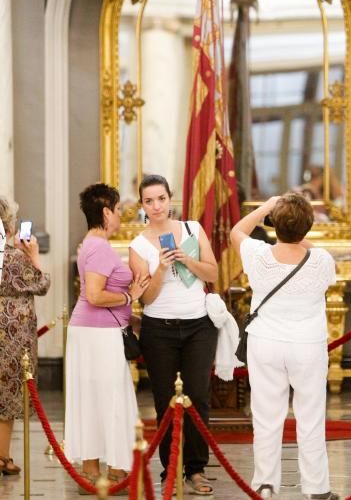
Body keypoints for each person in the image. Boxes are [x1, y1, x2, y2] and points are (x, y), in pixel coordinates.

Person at [230, 192, 338, 500]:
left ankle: (265, 484)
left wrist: (265, 207)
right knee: (311, 418)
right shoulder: (321, 260)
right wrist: (298, 234)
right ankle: (317, 489)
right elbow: (313, 254)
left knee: (266, 417)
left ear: (274, 224)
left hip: (265, 344)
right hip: (307, 346)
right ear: (307, 227)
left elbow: (236, 231)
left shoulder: (258, 255)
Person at [129, 174, 218, 496]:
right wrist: (162, 268)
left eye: (161, 199)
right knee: (165, 400)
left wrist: (187, 259)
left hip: (198, 326)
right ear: (142, 205)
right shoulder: (138, 245)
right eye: (149, 201)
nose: (156, 206)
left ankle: (196, 469)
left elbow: (213, 273)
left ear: (171, 199)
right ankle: (171, 467)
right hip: (159, 330)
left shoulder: (193, 229)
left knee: (197, 395)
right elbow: (146, 299)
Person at [64, 183, 149, 492]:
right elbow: (97, 296)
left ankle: (91, 468)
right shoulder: (99, 246)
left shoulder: (90, 244)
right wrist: (130, 297)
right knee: (112, 396)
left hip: (91, 332)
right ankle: (114, 469)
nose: (119, 217)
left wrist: (132, 316)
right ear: (105, 212)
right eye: (116, 210)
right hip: (97, 335)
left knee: (92, 397)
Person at [0, 196, 50, 475]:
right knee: (6, 399)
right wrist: (34, 256)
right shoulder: (16, 258)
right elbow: (42, 283)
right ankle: (3, 456)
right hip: (12, 339)